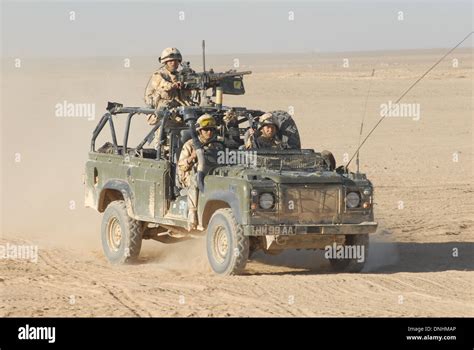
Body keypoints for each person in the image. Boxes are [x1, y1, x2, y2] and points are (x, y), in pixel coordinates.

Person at [178, 114, 222, 230]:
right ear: (199, 131)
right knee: (195, 180)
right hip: (190, 175)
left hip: (212, 174)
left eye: (212, 130)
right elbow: (181, 166)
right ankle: (192, 215)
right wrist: (192, 157)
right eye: (206, 130)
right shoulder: (190, 144)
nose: (209, 132)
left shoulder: (217, 145)